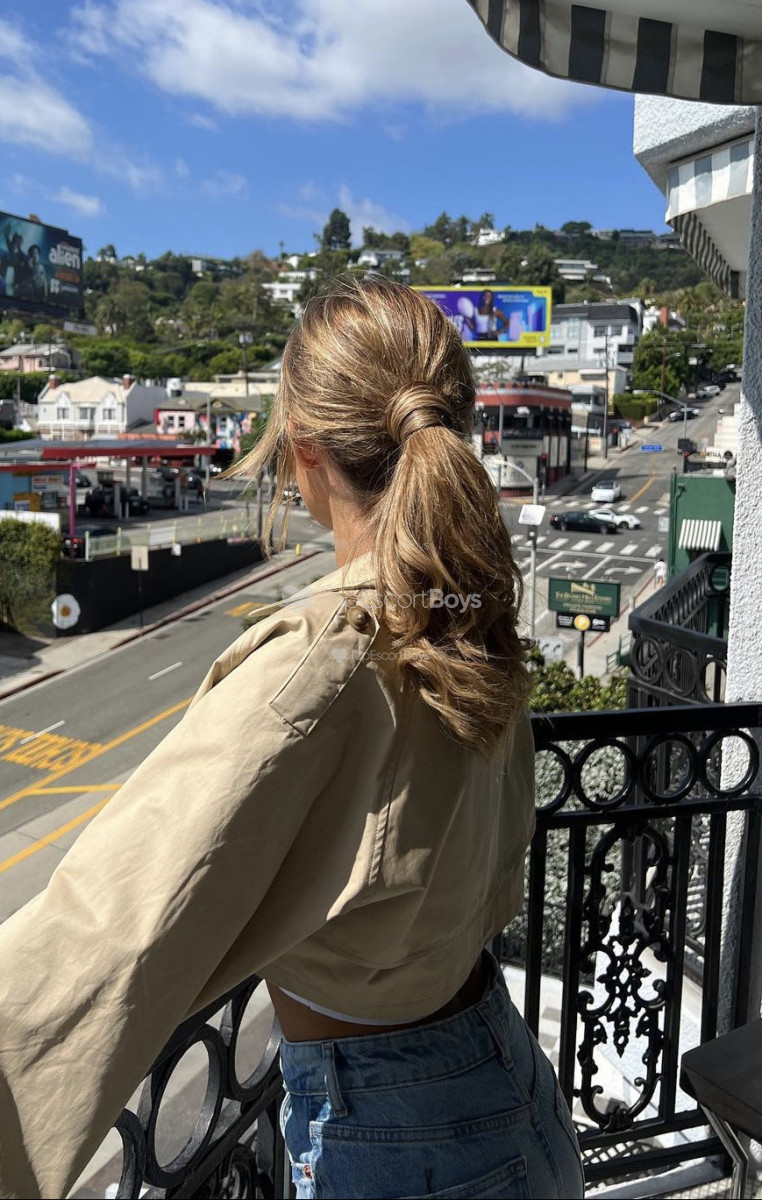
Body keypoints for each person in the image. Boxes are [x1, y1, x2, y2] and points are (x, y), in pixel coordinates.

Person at [0, 278, 584, 1200]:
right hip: (502, 1083)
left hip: (400, 1142)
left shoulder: (326, 657)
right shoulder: (469, 615)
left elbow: (110, 935)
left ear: (304, 448)